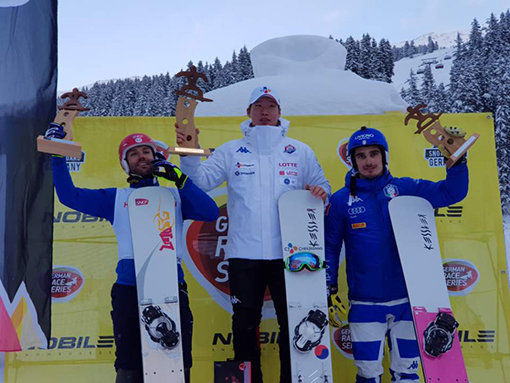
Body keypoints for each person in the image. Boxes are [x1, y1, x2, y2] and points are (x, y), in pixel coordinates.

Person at [176, 86, 331, 382]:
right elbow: (201, 183)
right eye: (258, 106)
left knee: (295, 322)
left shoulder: (299, 150)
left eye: (270, 106)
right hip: (243, 255)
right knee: (244, 323)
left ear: (279, 113)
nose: (264, 111)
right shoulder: (232, 150)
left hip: (291, 256)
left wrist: (321, 193)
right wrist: (188, 152)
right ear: (248, 113)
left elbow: (321, 186)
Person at [44, 126, 219, 383]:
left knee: (175, 359)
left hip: (170, 286)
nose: (142, 157)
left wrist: (181, 181)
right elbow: (69, 196)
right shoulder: (115, 198)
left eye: (146, 151)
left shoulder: (175, 195)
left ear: (157, 156)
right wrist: (57, 155)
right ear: (125, 164)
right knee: (128, 362)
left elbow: (210, 212)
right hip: (129, 289)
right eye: (134, 154)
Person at [325, 126, 469, 382]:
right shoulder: (341, 200)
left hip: (408, 303)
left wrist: (457, 162)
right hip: (365, 305)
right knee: (368, 373)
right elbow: (331, 246)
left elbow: (452, 193)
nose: (368, 161)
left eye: (373, 154)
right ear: (353, 161)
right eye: (361, 156)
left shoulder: (406, 188)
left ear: (384, 156)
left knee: (407, 371)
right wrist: (328, 283)